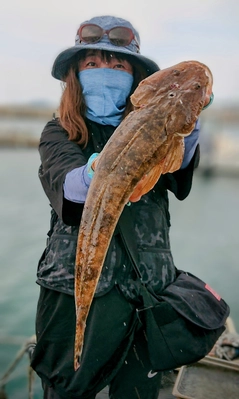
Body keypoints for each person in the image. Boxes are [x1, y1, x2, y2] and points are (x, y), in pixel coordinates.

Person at [30, 15, 211, 399]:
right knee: (66, 388)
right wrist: (100, 171)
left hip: (147, 300)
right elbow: (68, 190)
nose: (104, 72)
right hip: (71, 299)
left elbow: (177, 179)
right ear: (74, 76)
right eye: (92, 64)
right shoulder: (58, 131)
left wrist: (188, 124)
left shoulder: (165, 131)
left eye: (117, 65)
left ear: (136, 78)